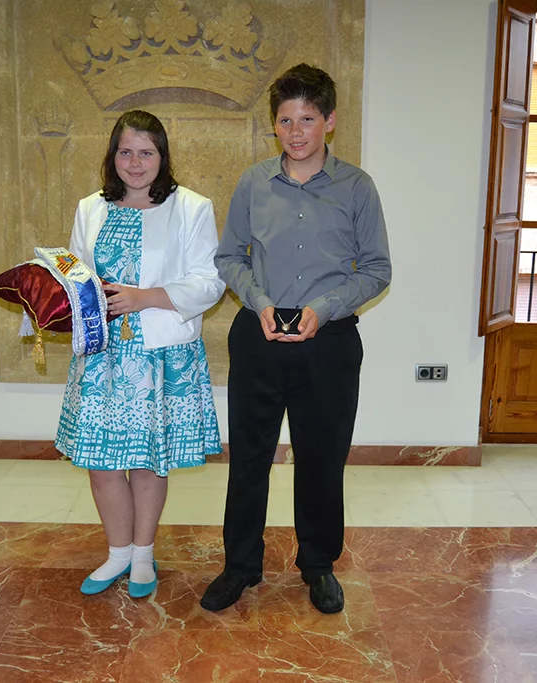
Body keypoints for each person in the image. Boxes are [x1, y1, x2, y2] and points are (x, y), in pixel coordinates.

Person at [202, 64, 391, 614]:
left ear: (329, 122)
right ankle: (240, 565)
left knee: (321, 458)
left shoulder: (358, 187)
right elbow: (228, 258)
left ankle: (318, 565)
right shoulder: (253, 182)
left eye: (307, 118)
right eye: (285, 120)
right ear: (275, 125)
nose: (296, 130)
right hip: (259, 333)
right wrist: (259, 303)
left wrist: (324, 307)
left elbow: (377, 269)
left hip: (328, 339)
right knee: (250, 458)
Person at [55, 110, 225, 599]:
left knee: (151, 460)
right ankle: (117, 554)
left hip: (160, 356)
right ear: (112, 156)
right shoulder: (90, 208)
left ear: (161, 157)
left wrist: (142, 296)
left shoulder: (191, 207)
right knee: (103, 462)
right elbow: (77, 275)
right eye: (125, 151)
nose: (135, 162)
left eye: (146, 152)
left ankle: (144, 556)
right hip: (102, 355)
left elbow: (209, 280)